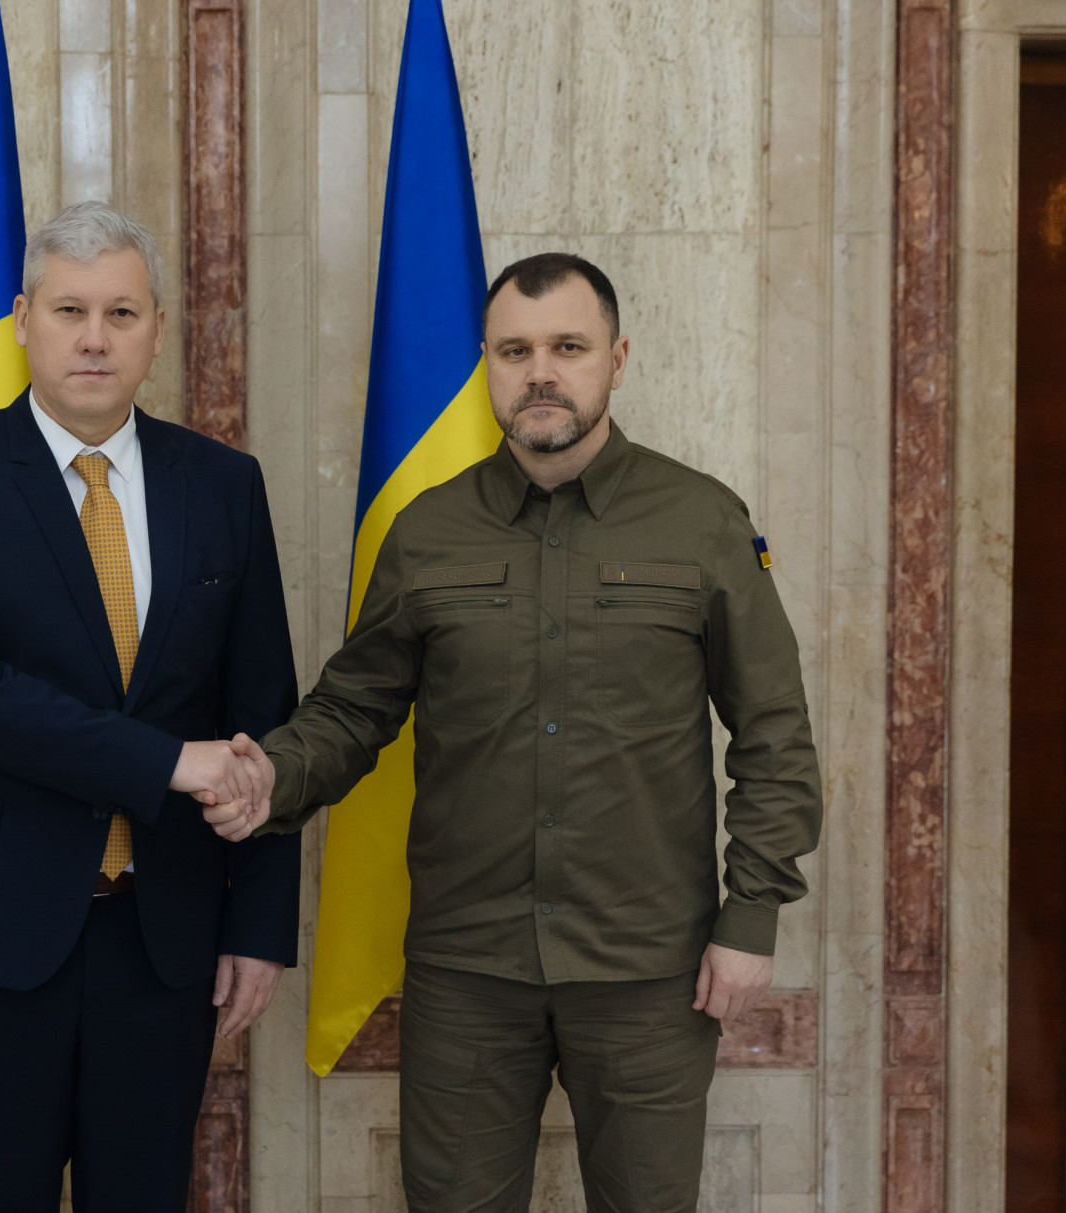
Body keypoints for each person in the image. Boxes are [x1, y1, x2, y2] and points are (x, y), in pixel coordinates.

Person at [207, 253, 824, 1213]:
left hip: (650, 970)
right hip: (467, 971)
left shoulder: (702, 521)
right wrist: (267, 776)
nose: (541, 371)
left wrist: (750, 919)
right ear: (487, 365)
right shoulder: (428, 531)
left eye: (567, 347)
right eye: (515, 350)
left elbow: (775, 733)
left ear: (616, 360)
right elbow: (355, 705)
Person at [0, 201, 294, 1212]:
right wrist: (166, 762)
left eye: (121, 311)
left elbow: (263, 715)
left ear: (157, 327)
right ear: (23, 319)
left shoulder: (225, 486)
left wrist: (262, 922)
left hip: (165, 939)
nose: (94, 337)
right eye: (70, 309)